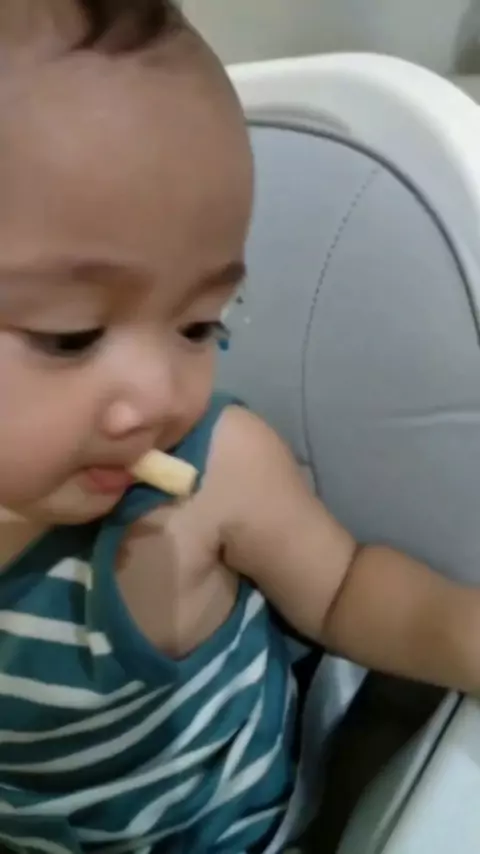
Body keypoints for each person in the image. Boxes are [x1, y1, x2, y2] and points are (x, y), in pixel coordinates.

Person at [0, 2, 479, 852]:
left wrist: (462, 637)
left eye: (200, 325)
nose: (159, 396)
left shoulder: (211, 479)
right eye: (70, 337)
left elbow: (344, 589)